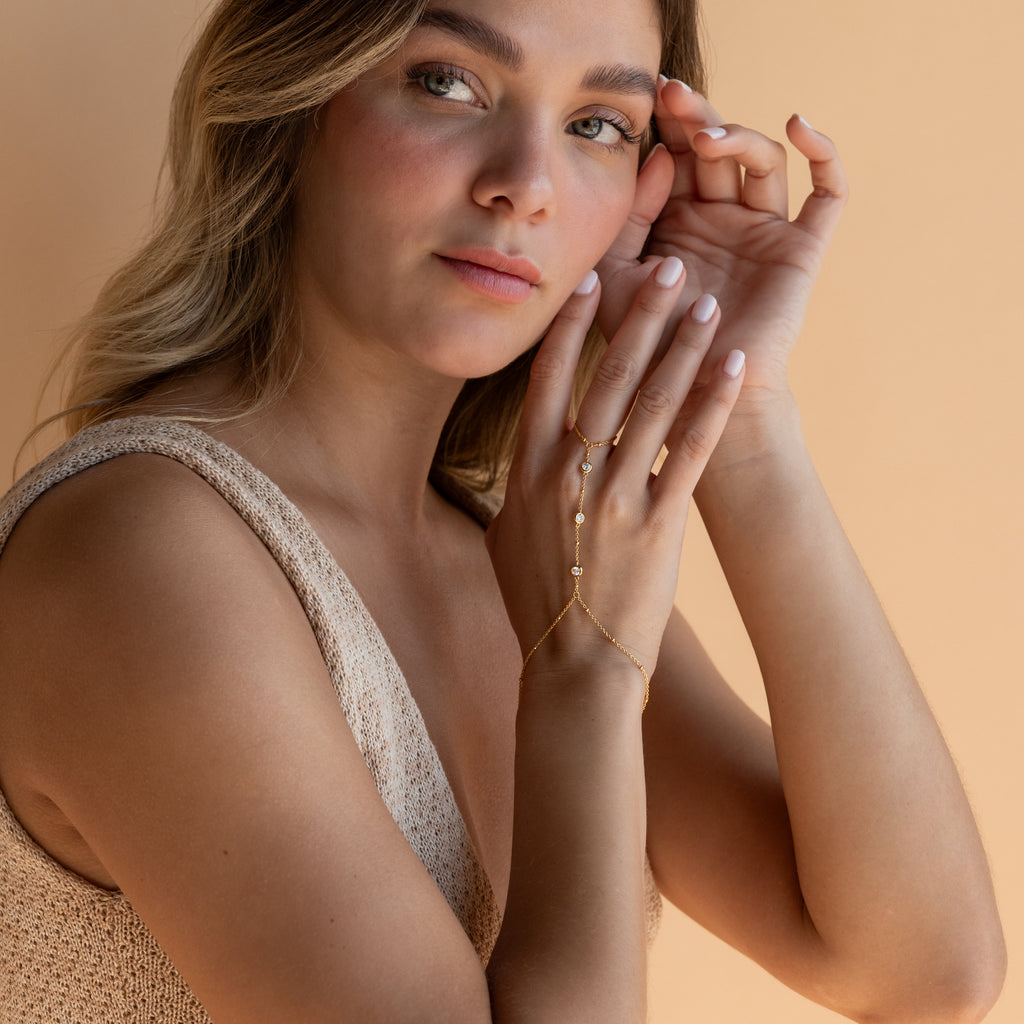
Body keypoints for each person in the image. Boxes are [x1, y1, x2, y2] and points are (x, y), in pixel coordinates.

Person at [0, 0, 1006, 1020]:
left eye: (597, 125)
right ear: (293, 103)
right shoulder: (141, 558)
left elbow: (924, 970)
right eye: (448, 83)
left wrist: (735, 410)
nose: (526, 186)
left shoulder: (513, 549)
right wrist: (583, 680)